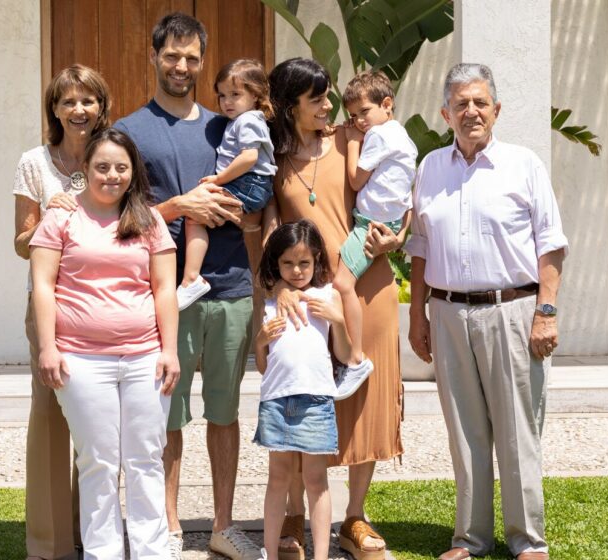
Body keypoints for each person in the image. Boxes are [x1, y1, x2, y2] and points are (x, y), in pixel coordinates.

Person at [405, 63, 568, 560]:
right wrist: (417, 316)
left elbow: (552, 246)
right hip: (449, 313)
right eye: (460, 103)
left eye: (480, 102)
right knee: (465, 431)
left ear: (496, 111)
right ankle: (469, 540)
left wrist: (546, 311)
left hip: (513, 312)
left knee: (518, 431)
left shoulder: (525, 165)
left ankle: (528, 543)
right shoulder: (430, 167)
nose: (470, 111)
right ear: (445, 113)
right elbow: (419, 247)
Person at [114, 12, 260, 560]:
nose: (182, 66)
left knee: (224, 414)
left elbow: (260, 192)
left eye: (192, 57)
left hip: (229, 288)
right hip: (163, 294)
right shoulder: (130, 130)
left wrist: (235, 207)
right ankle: (169, 527)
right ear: (153, 57)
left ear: (203, 61)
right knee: (167, 416)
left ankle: (223, 526)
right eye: (172, 55)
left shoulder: (231, 125)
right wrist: (179, 206)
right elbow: (114, 211)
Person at [264, 57, 403, 560]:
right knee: (304, 397)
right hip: (306, 296)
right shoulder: (274, 158)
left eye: (329, 97)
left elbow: (397, 188)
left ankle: (355, 517)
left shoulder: (355, 138)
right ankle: (297, 513)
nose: (329, 106)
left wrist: (400, 235)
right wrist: (276, 287)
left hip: (370, 285)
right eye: (317, 98)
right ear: (290, 106)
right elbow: (271, 230)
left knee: (367, 400)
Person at [30, 128, 180, 560]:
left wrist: (169, 351)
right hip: (80, 361)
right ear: (85, 170)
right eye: (102, 167)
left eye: (121, 167)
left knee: (145, 461)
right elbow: (43, 284)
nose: (111, 176)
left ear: (133, 173)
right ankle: (103, 553)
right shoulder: (60, 217)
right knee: (98, 463)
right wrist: (48, 346)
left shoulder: (149, 221)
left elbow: (164, 288)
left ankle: (152, 552)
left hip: (145, 359)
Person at [12, 64, 111, 560]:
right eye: (68, 101)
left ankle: (94, 538)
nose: (79, 110)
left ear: (101, 107)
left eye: (88, 100)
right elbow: (20, 244)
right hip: (51, 304)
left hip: (107, 307)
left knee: (98, 422)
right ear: (54, 108)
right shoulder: (34, 163)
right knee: (51, 416)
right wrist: (51, 214)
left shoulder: (114, 158)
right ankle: (50, 546)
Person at [254, 220, 353, 560]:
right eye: (287, 263)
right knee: (277, 478)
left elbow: (343, 354)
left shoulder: (328, 296)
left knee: (316, 480)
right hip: (277, 399)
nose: (296, 271)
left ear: (317, 261)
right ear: (276, 264)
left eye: (304, 263)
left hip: (315, 399)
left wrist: (337, 320)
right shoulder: (271, 299)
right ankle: (269, 551)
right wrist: (260, 342)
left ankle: (321, 555)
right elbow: (264, 364)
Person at [332, 69, 418, 399]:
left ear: (387, 104)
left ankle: (355, 358)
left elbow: (355, 180)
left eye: (364, 113)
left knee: (342, 284)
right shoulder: (403, 136)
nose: (359, 121)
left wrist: (352, 142)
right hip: (390, 223)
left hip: (371, 225)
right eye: (352, 116)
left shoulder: (379, 137)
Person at [177, 58, 276, 309]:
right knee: (199, 214)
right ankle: (191, 276)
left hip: (249, 183)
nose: (227, 102)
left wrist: (219, 179)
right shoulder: (241, 121)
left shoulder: (248, 121)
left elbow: (249, 157)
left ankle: (191, 278)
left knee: (195, 216)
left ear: (256, 95)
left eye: (235, 94)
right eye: (222, 95)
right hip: (249, 184)